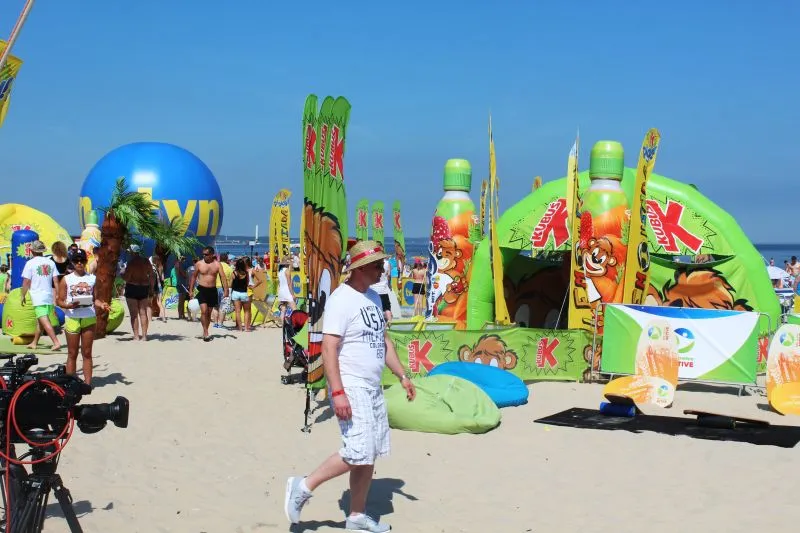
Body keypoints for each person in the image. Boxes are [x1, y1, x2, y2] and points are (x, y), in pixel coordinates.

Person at [285, 240, 416, 532]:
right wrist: (337, 392)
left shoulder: (373, 297)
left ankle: (356, 516)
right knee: (358, 450)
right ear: (360, 268)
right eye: (377, 265)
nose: (382, 269)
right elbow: (329, 348)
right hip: (351, 386)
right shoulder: (341, 300)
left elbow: (383, 341)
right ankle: (303, 486)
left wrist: (402, 375)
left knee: (369, 454)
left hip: (372, 387)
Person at [56, 249, 109, 385]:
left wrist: (102, 305)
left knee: (87, 352)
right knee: (72, 353)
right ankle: (70, 384)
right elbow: (59, 300)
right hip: (72, 318)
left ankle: (87, 384)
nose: (79, 263)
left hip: (88, 317)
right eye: (76, 260)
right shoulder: (66, 279)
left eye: (82, 260)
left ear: (86, 262)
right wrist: (68, 305)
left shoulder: (92, 278)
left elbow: (95, 299)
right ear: (72, 263)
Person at [20, 240, 62, 351]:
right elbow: (56, 281)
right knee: (40, 322)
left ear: (32, 251)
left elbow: (26, 281)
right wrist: (58, 294)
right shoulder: (51, 262)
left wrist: (22, 295)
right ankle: (34, 342)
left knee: (44, 320)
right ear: (42, 251)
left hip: (38, 296)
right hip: (48, 295)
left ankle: (56, 342)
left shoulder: (30, 263)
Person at [189, 246, 229, 342]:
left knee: (209, 313)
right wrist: (191, 290)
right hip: (201, 290)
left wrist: (226, 290)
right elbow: (193, 277)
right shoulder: (199, 264)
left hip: (212, 290)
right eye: (203, 254)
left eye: (206, 254)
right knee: (204, 311)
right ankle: (206, 332)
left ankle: (205, 330)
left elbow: (223, 277)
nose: (204, 256)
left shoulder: (217, 264)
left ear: (211, 255)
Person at [122, 244, 154, 341]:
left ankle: (136, 336)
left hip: (132, 287)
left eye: (130, 252)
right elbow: (151, 275)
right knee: (143, 313)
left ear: (132, 252)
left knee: (134, 314)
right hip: (144, 287)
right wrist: (151, 288)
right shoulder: (146, 261)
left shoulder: (131, 263)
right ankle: (144, 336)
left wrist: (121, 274)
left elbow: (127, 278)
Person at [369, 245, 393, 324]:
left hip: (373, 289)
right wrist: (389, 285)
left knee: (374, 308)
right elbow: (389, 275)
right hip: (383, 289)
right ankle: (390, 324)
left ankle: (376, 324)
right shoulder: (387, 263)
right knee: (387, 308)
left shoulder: (372, 263)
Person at [230, 258, 253, 332]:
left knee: (237, 311)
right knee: (246, 311)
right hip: (244, 293)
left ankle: (240, 328)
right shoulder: (246, 273)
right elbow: (247, 283)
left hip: (235, 293)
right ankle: (246, 328)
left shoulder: (234, 273)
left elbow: (230, 285)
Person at [214, 253, 233, 329]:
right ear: (227, 259)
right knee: (223, 307)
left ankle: (215, 323)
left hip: (215, 287)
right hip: (225, 288)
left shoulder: (216, 266)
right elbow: (231, 281)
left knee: (215, 306)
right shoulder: (229, 268)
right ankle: (220, 324)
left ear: (220, 258)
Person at [277, 261, 296, 327]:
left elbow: (280, 283)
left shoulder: (280, 271)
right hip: (287, 292)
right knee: (294, 309)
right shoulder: (287, 271)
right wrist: (292, 294)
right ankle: (295, 325)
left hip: (281, 291)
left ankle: (283, 325)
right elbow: (289, 283)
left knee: (283, 310)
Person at [151, 255, 167, 322]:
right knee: (159, 302)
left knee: (150, 302)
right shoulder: (161, 267)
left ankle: (150, 317)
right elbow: (163, 279)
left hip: (153, 286)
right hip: (160, 286)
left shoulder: (152, 267)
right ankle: (164, 318)